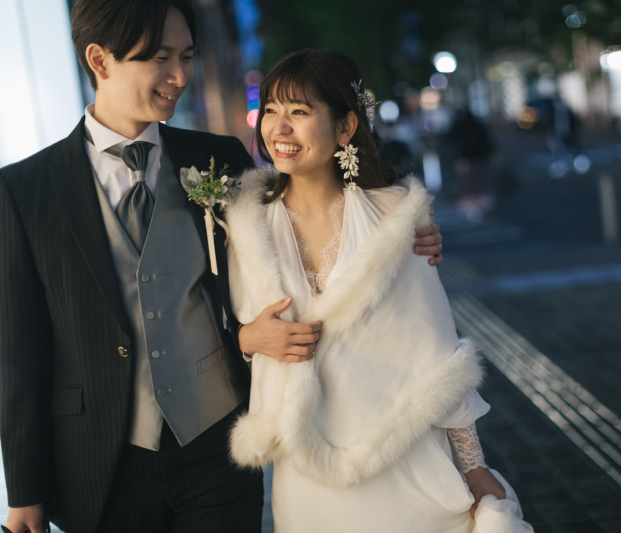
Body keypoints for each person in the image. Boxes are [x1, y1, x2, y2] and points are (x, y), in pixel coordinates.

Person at [0, 2, 443, 532]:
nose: (180, 76)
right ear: (99, 59)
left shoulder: (220, 160)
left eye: (186, 56)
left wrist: (400, 229)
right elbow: (22, 350)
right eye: (160, 58)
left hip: (217, 447)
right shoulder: (26, 189)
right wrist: (26, 490)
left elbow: (304, 213)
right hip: (100, 460)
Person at [225, 49, 533, 533]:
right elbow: (230, 326)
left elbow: (436, 349)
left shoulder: (396, 217)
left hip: (400, 460)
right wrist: (248, 339)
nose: (278, 129)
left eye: (299, 113)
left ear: (346, 128)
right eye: (271, 111)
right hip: (305, 476)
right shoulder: (246, 226)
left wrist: (473, 466)